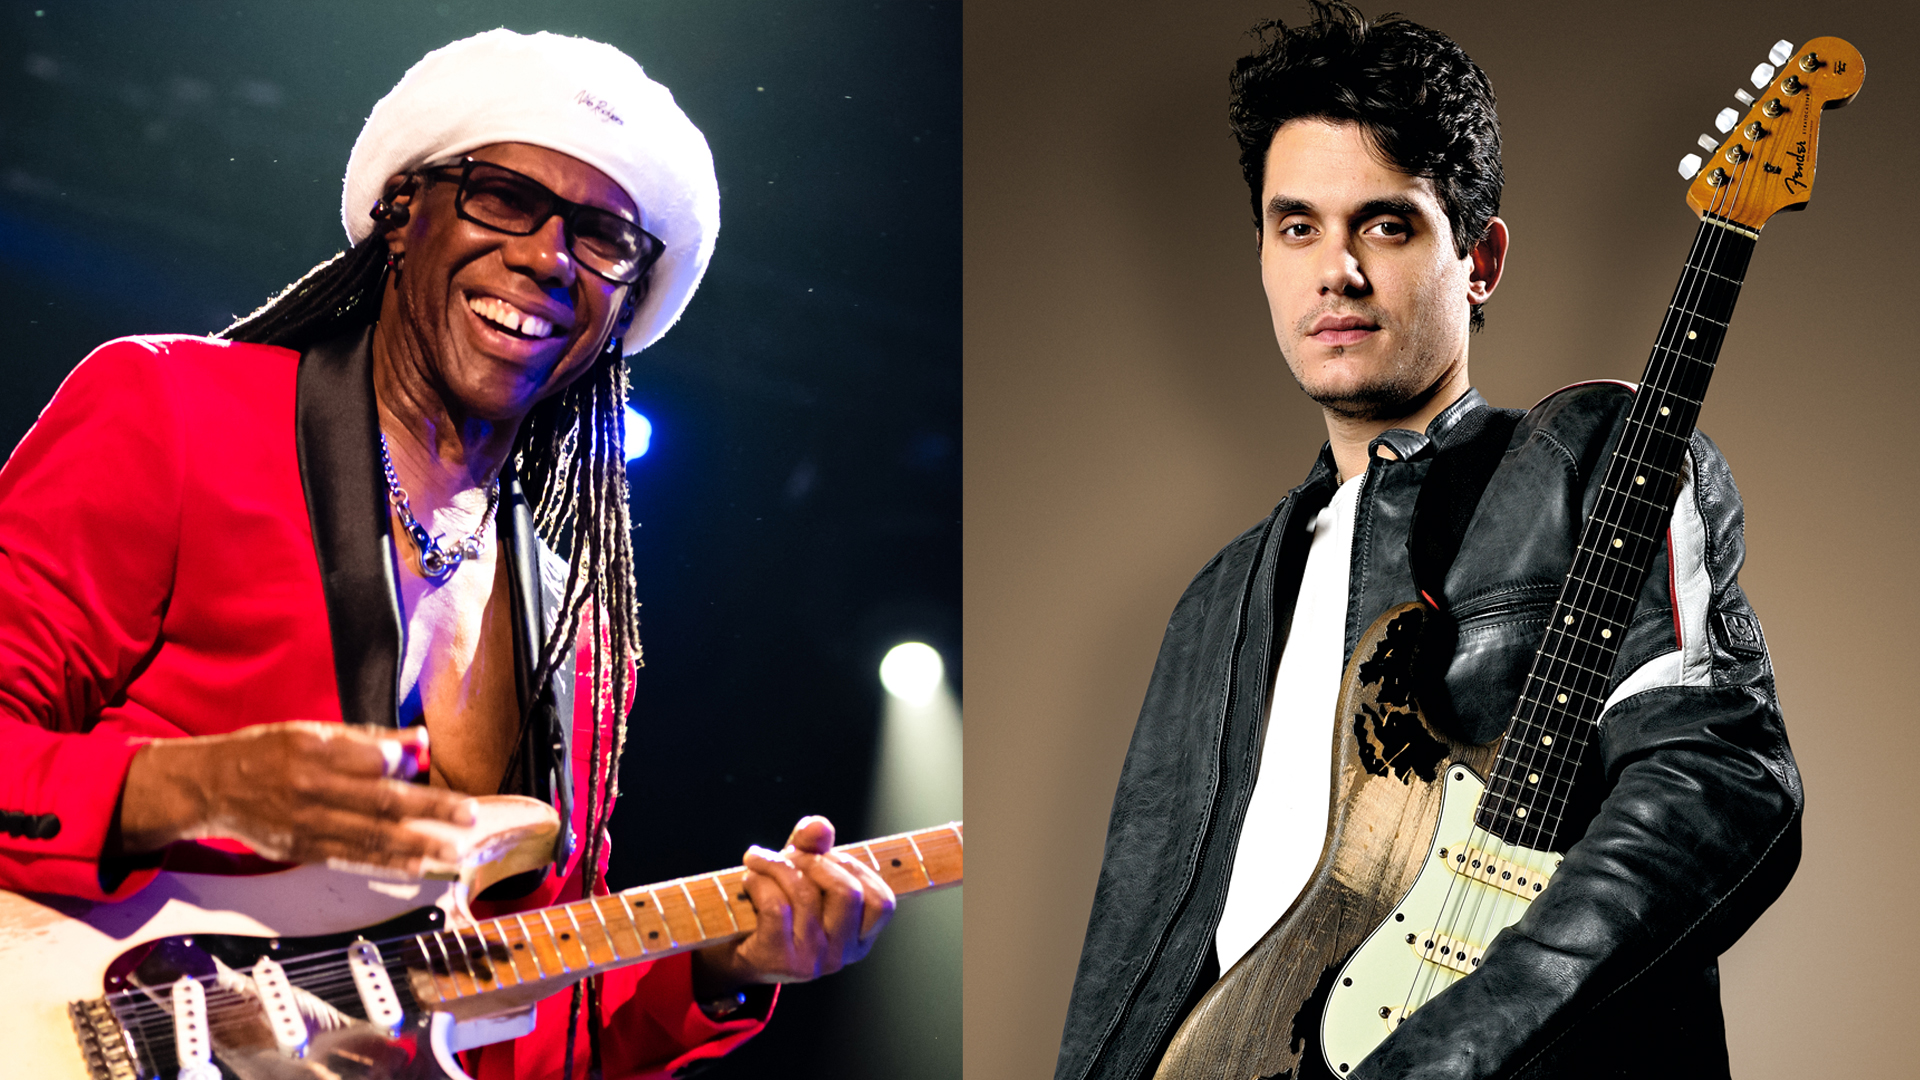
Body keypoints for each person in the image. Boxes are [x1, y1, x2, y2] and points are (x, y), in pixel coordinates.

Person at [0, 29, 892, 1080]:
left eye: (604, 238)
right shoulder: (170, 409)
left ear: (626, 309)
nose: (550, 257)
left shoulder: (580, 634)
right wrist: (191, 790)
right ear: (403, 214)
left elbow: (525, 1024)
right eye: (504, 198)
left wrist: (722, 970)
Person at [1055, 5, 1799, 1079]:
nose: (1336, 272)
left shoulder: (1593, 466)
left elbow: (1719, 781)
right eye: (1296, 226)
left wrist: (1453, 1050)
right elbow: (1131, 964)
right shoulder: (1213, 604)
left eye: (1387, 224)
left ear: (1481, 259)